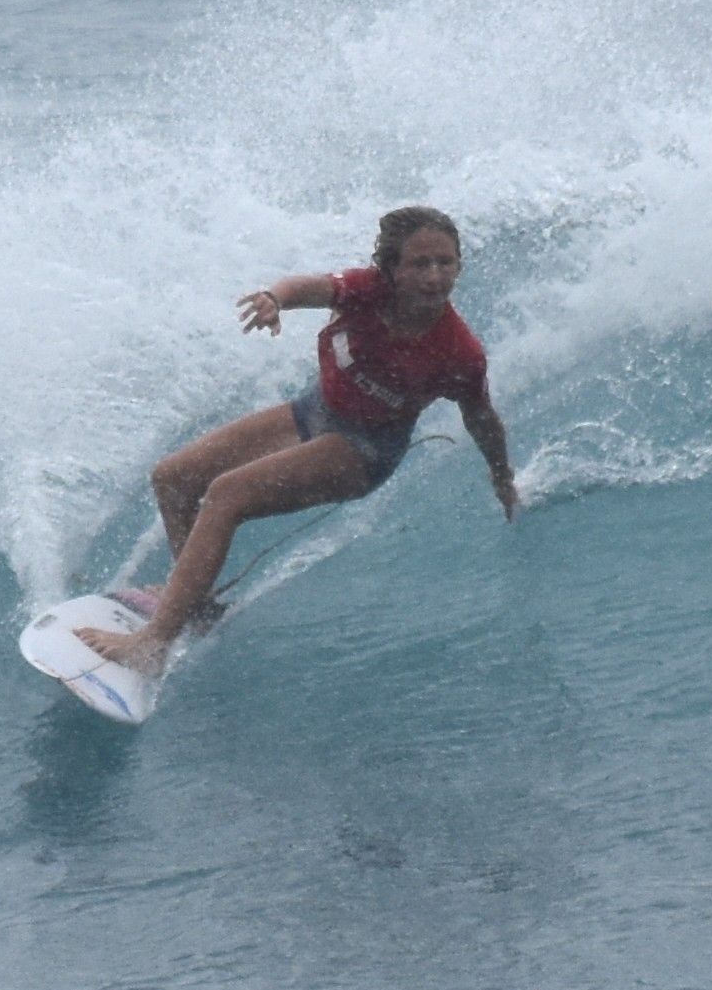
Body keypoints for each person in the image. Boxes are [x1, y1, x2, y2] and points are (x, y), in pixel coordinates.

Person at [76, 204, 515, 674]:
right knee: (174, 477)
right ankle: (196, 607)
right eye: (420, 263)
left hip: (363, 450)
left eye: (445, 263)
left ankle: (153, 643)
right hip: (314, 410)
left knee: (226, 496)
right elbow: (307, 287)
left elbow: (481, 418)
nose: (434, 276)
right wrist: (274, 298)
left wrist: (500, 475)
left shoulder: (458, 352)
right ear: (390, 268)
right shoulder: (366, 290)